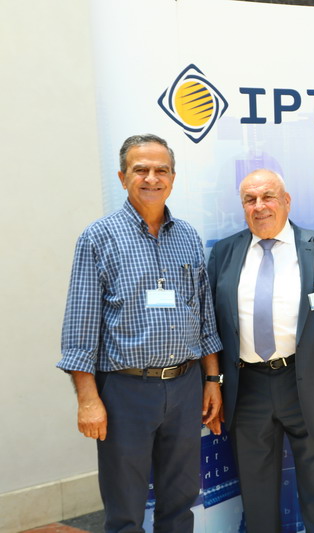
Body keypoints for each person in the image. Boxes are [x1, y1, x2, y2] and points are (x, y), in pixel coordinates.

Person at [58, 134, 223, 532]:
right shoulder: (98, 238)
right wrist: (88, 400)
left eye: (161, 170)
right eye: (141, 170)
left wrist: (212, 380)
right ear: (122, 177)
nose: (152, 178)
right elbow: (79, 328)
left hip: (185, 387)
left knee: (181, 500)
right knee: (126, 507)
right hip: (125, 391)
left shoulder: (187, 236)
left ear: (173, 178)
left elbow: (205, 317)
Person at [207, 169, 314, 533]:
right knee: (256, 495)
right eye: (250, 199)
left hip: (307, 385)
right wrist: (212, 386)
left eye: (268, 197)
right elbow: (209, 326)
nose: (259, 206)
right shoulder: (225, 253)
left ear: (286, 201)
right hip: (247, 388)